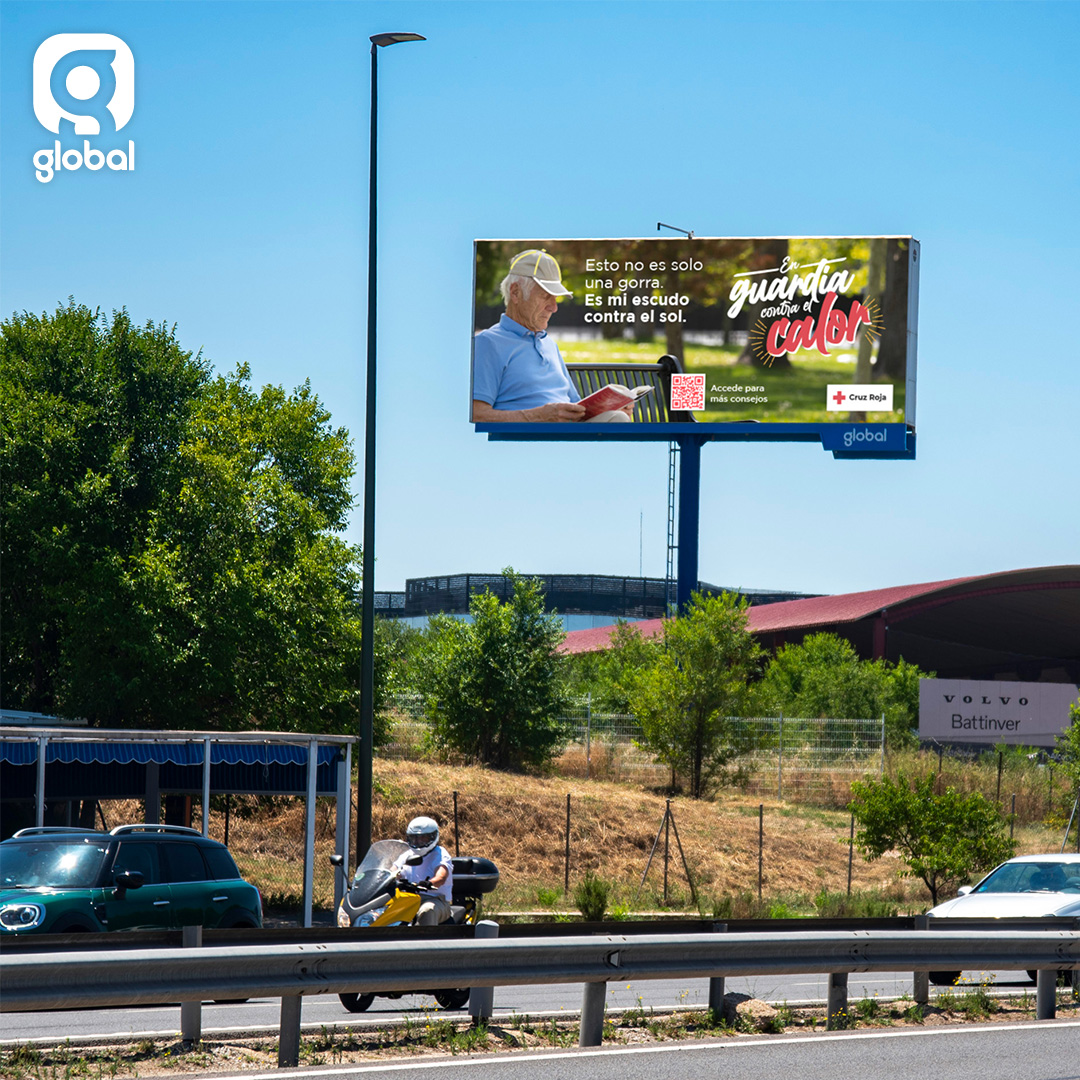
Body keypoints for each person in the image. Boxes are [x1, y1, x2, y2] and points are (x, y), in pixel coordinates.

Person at [471, 249, 633, 423]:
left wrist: (608, 407)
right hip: (531, 440)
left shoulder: (548, 344)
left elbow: (574, 406)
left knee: (618, 417)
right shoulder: (487, 343)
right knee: (618, 421)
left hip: (566, 435)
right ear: (515, 292)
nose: (554, 308)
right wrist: (537, 416)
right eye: (545, 296)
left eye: (555, 298)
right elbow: (476, 414)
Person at [393, 815, 454, 925]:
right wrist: (383, 878)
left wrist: (429, 883)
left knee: (427, 911)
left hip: (435, 900)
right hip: (407, 899)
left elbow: (441, 876)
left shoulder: (440, 854)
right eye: (414, 838)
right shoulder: (407, 855)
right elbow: (393, 870)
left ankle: (425, 941)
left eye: (423, 838)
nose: (418, 841)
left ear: (433, 837)